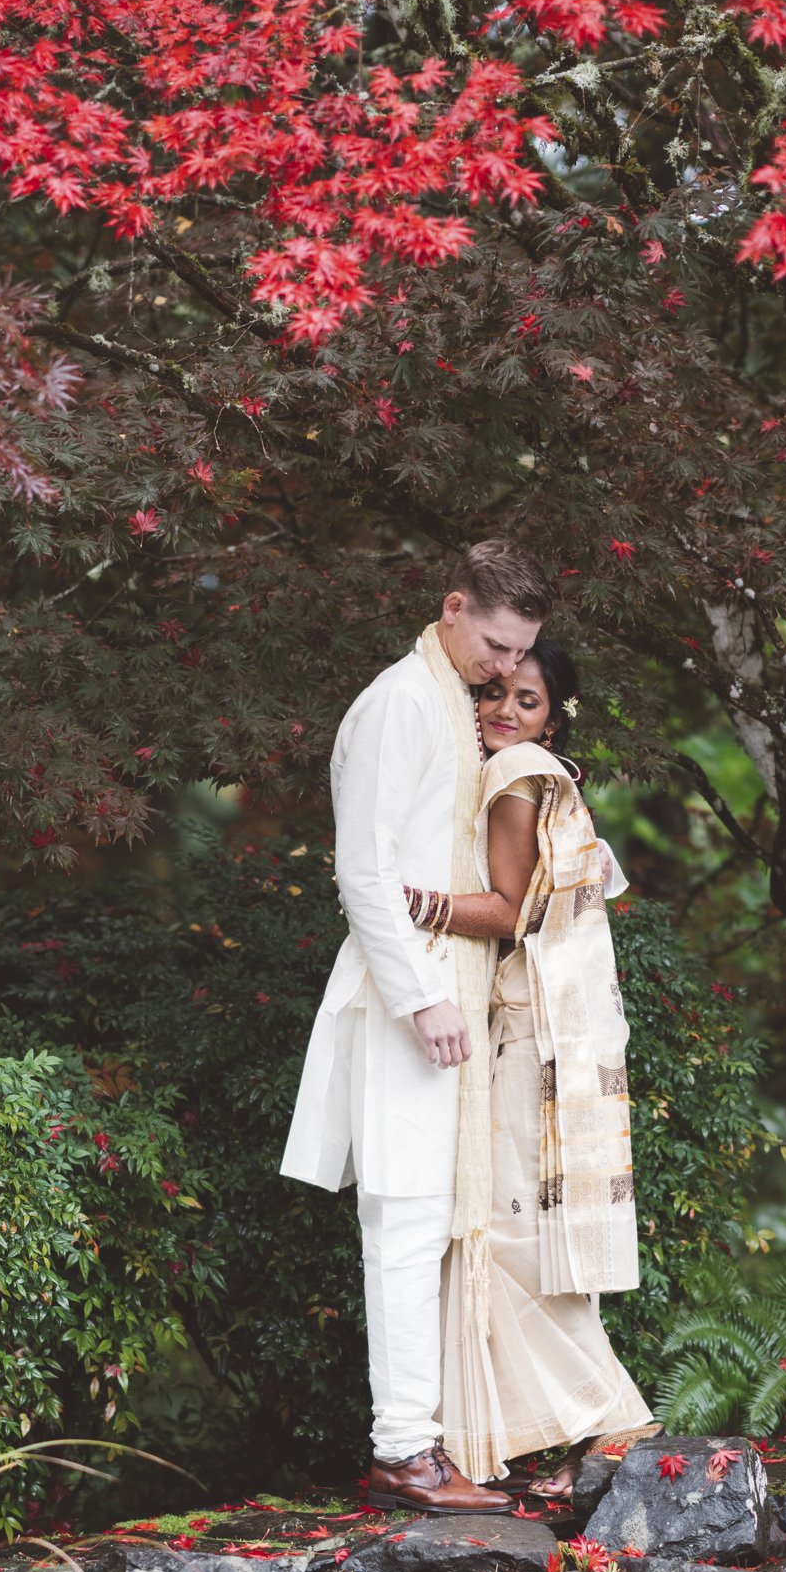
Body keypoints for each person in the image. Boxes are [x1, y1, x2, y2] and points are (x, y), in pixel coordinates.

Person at [280, 540, 556, 1512]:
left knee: (433, 1223)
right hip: (406, 996)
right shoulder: (400, 701)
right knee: (401, 1219)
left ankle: (429, 1441)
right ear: (451, 608)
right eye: (493, 644)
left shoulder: (447, 699)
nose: (505, 668)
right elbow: (362, 871)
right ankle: (404, 1451)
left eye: (518, 652)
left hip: (446, 992)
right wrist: (422, 1000)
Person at [405, 643, 653, 1498]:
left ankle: (613, 1423)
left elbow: (513, 913)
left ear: (554, 716)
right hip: (548, 1030)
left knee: (504, 1230)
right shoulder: (541, 773)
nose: (506, 710)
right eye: (498, 694)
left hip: (524, 1033)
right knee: (513, 1230)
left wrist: (414, 901)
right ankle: (564, 1436)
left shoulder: (516, 771)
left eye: (530, 699)